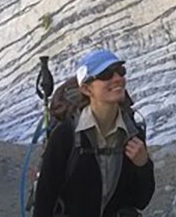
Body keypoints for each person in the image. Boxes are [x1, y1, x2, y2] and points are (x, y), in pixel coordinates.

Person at [33, 49, 155, 217]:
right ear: (86, 89)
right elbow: (44, 201)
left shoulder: (132, 134)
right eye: (106, 74)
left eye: (121, 72)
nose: (118, 78)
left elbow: (141, 200)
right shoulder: (65, 135)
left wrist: (143, 166)